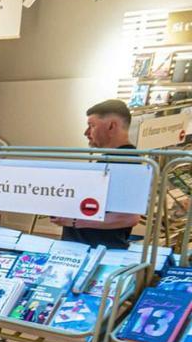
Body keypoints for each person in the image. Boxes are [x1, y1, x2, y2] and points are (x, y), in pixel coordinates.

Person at [51, 99, 143, 249]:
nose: (86, 133)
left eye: (92, 126)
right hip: (84, 248)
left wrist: (74, 221)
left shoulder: (127, 163)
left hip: (99, 250)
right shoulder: (111, 160)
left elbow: (129, 218)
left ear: (111, 126)